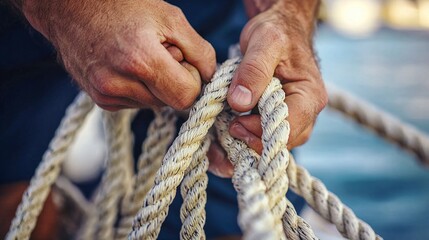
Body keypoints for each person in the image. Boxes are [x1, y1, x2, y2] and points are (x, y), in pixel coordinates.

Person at [0, 0, 327, 239]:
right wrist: (72, 11)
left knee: (228, 221)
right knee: (13, 192)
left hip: (210, 13)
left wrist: (291, 12)